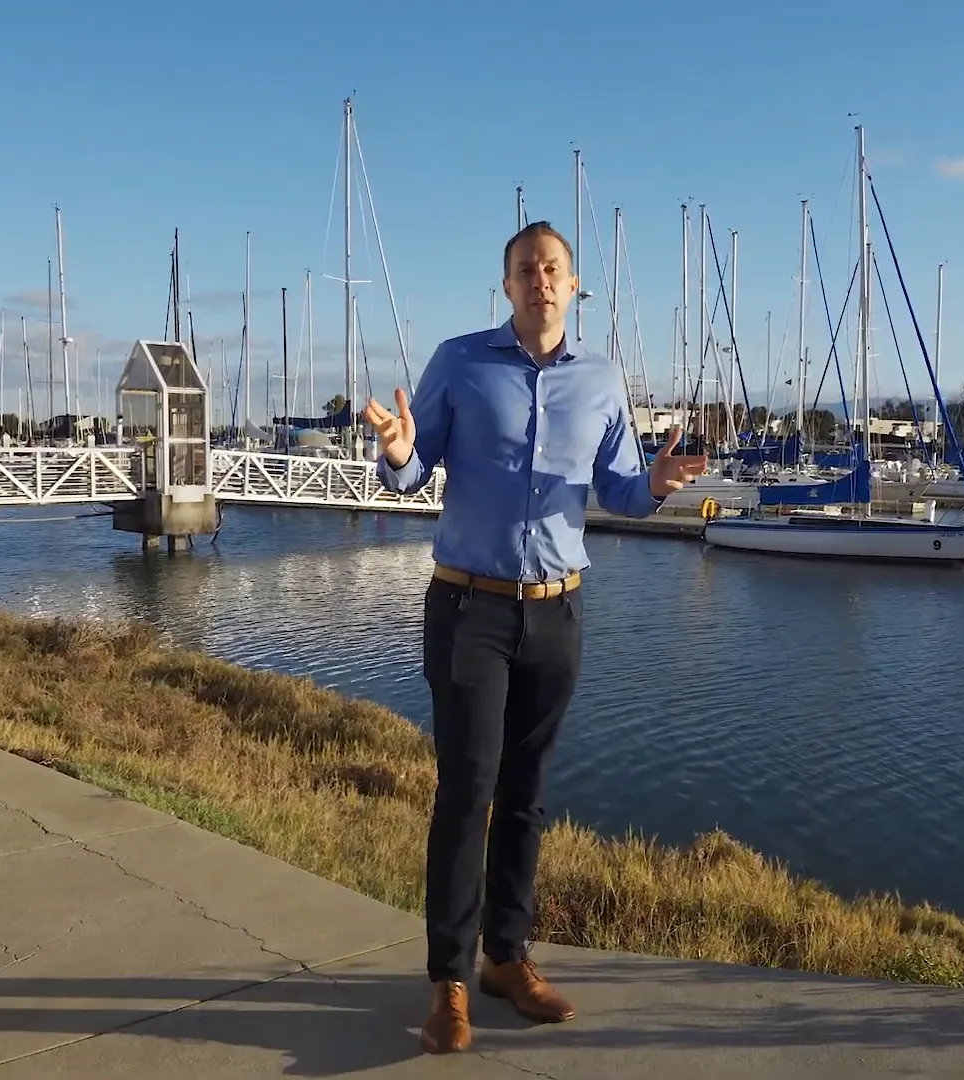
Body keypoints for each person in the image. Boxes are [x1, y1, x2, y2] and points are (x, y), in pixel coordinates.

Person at [365, 221, 705, 1055]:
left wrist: (655, 485)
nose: (541, 281)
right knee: (467, 790)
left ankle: (507, 960)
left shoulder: (601, 379)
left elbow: (621, 490)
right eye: (526, 270)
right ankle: (448, 979)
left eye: (553, 269)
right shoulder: (461, 362)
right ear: (507, 286)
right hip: (469, 607)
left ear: (573, 284)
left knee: (527, 793)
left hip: (557, 611)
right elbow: (412, 466)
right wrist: (401, 452)